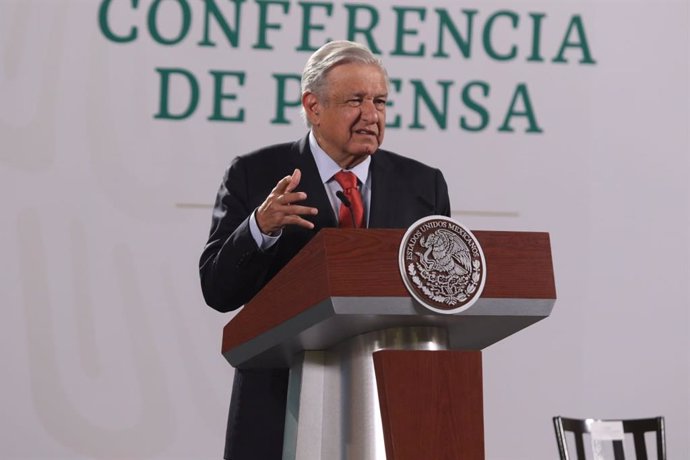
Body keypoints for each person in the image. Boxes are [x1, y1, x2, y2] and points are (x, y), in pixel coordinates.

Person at [199, 40, 451, 460]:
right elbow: (217, 290)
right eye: (356, 101)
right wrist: (260, 228)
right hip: (281, 401)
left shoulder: (423, 186)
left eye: (380, 102)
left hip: (393, 402)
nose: (371, 115)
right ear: (313, 106)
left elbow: (442, 295)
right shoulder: (255, 173)